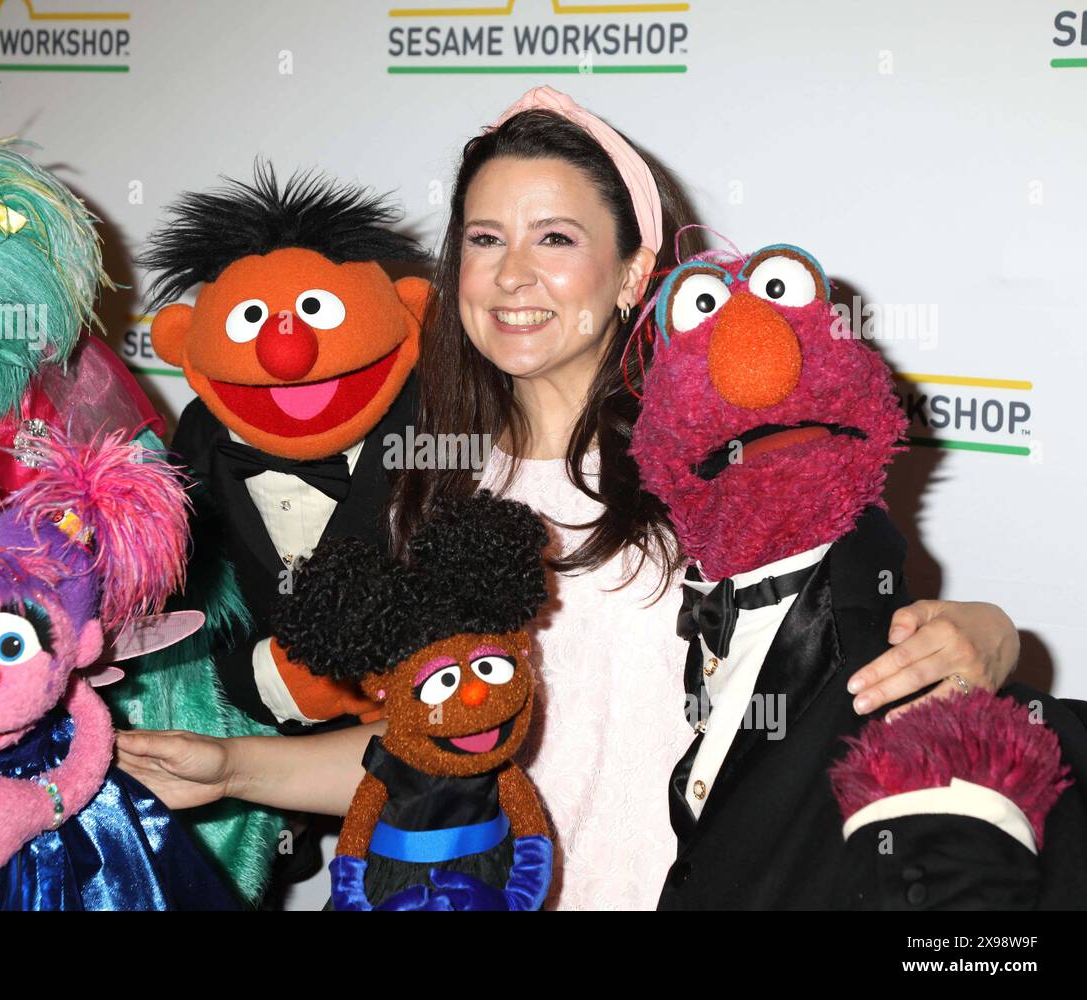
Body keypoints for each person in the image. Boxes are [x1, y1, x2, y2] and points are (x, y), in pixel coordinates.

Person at [115, 88, 1021, 909]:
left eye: (555, 238)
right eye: (484, 239)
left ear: (634, 273)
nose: (513, 276)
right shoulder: (419, 487)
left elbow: (867, 656)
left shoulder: (727, 478)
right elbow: (428, 754)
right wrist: (231, 767)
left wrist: (988, 631)